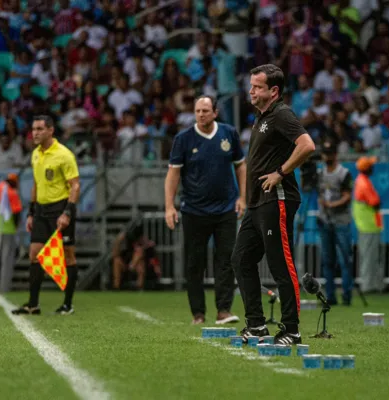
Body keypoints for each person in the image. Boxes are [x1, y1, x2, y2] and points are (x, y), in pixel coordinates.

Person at [231, 64, 316, 345]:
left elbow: (307, 145)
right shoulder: (262, 117)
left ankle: (291, 329)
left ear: (273, 91)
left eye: (257, 86)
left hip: (276, 200)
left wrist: (281, 172)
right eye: (251, 85)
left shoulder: (282, 114)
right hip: (257, 203)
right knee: (241, 259)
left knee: (281, 265)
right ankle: (256, 325)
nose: (251, 91)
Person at [165, 95, 246, 325]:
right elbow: (173, 174)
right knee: (194, 263)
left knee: (227, 259)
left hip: (225, 209)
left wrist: (243, 197)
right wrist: (169, 206)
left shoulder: (229, 133)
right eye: (198, 111)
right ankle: (198, 314)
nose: (201, 115)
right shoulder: (183, 138)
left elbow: (241, 166)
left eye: (205, 111)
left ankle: (224, 310)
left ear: (215, 113)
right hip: (194, 211)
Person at [12, 115, 81, 315]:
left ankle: (68, 304)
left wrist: (68, 212)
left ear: (51, 130)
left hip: (60, 209)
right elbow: (36, 184)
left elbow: (75, 185)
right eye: (34, 129)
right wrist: (31, 212)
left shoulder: (64, 155)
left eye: (40, 129)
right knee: (34, 255)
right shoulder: (35, 154)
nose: (35, 133)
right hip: (41, 211)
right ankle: (33, 304)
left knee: (68, 256)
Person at [317, 140, 354, 305]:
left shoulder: (343, 173)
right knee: (327, 260)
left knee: (345, 259)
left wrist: (331, 205)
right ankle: (330, 296)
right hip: (325, 220)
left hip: (341, 220)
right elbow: (318, 193)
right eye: (325, 154)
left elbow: (347, 196)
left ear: (335, 155)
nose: (327, 157)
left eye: (329, 154)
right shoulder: (320, 173)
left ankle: (346, 295)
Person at [352, 156, 385, 293]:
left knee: (371, 256)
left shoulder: (362, 181)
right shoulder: (363, 183)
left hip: (369, 225)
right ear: (367, 169)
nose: (373, 167)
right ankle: (368, 286)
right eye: (371, 165)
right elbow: (375, 202)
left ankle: (375, 285)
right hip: (368, 225)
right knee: (368, 257)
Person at [112, 220, 161, 290]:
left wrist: (157, 267)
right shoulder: (127, 242)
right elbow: (115, 254)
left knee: (140, 262)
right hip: (128, 265)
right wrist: (118, 241)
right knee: (116, 261)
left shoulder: (146, 244)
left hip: (141, 266)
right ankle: (116, 287)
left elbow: (153, 258)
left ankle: (139, 287)